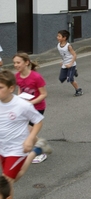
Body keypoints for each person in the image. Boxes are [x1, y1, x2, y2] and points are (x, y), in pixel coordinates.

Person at [0, 70, 53, 199]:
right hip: (3, 147)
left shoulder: (23, 105)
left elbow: (38, 121)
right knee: (13, 178)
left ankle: (34, 149)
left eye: (1, 87)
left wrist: (30, 139)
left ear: (11, 88)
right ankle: (36, 151)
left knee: (6, 182)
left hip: (17, 148)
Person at [13, 52, 49, 164]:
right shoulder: (17, 76)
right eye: (14, 63)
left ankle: (41, 151)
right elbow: (21, 89)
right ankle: (38, 145)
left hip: (37, 107)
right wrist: (19, 99)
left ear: (26, 62)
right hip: (25, 107)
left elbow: (44, 94)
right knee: (25, 130)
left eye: (18, 62)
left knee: (29, 131)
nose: (15, 65)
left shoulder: (36, 77)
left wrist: (30, 103)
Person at [56, 30, 83, 96]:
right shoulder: (58, 45)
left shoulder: (68, 46)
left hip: (71, 64)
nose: (57, 37)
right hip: (65, 64)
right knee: (61, 79)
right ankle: (74, 72)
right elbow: (63, 55)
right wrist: (63, 62)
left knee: (70, 79)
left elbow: (74, 55)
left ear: (64, 38)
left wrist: (71, 64)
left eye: (59, 36)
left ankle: (78, 90)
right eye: (57, 36)